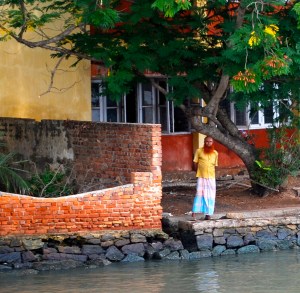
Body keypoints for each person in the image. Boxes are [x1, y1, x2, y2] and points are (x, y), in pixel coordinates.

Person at [192, 136, 218, 221]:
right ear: (204, 142)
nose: (208, 143)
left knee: (211, 195)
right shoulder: (199, 151)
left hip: (211, 177)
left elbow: (215, 166)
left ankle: (208, 214)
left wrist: (213, 174)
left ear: (212, 143)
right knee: (199, 192)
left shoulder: (215, 153)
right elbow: (195, 162)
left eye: (210, 142)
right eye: (207, 141)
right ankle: (195, 211)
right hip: (201, 176)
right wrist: (197, 172)